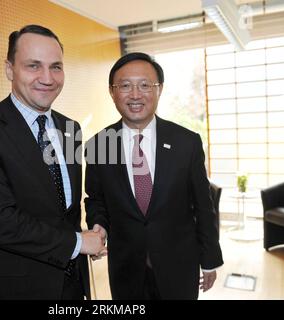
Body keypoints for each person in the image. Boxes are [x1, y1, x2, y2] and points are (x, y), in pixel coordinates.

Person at [0, 25, 105, 300]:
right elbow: (0, 222)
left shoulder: (71, 128)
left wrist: (93, 231)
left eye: (56, 67)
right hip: (11, 288)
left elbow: (64, 208)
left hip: (70, 283)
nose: (47, 78)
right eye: (34, 65)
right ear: (10, 69)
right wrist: (79, 242)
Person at [84, 52, 223, 300]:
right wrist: (98, 224)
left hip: (179, 265)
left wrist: (210, 259)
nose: (135, 95)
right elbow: (95, 198)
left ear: (159, 90)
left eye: (145, 85)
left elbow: (204, 206)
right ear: (112, 91)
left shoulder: (186, 142)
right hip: (125, 268)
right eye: (125, 86)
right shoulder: (98, 145)